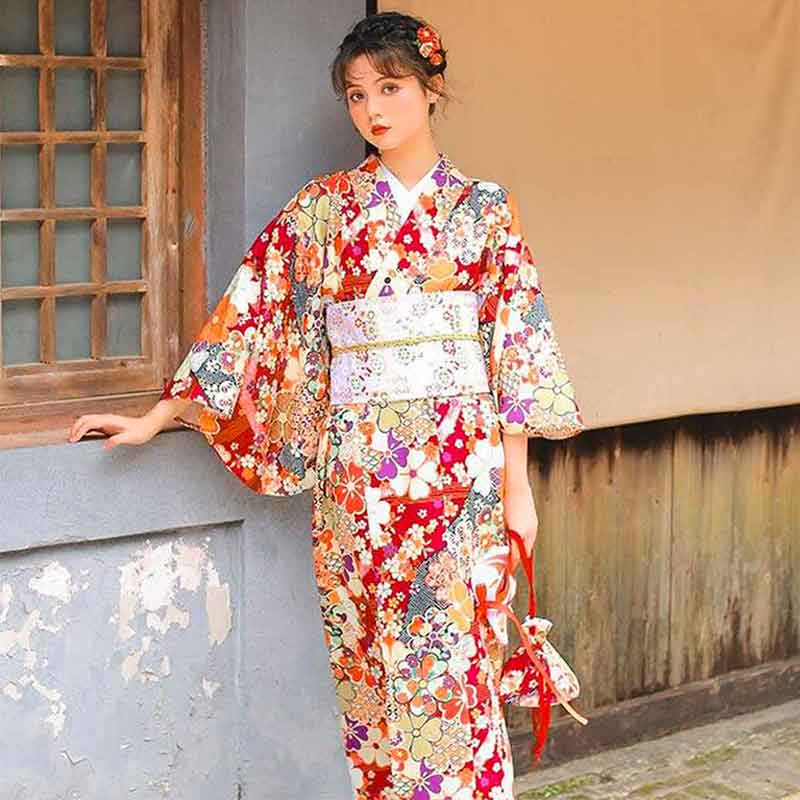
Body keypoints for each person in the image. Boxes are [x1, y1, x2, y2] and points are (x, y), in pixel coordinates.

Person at [69, 11, 587, 799]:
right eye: (356, 95)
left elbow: (513, 349)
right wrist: (160, 414)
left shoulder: (485, 211)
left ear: (430, 88)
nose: (374, 109)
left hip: (459, 484)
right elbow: (253, 314)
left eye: (391, 87)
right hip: (355, 488)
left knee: (452, 682)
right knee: (373, 683)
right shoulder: (322, 211)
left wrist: (518, 488)